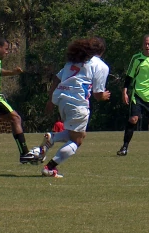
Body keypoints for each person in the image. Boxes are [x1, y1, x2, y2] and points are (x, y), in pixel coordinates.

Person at [39, 37, 110, 178]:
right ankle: (49, 166)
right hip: (78, 103)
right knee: (77, 140)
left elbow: (57, 78)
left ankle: (52, 138)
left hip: (62, 101)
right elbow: (97, 94)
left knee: (77, 134)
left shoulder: (74, 60)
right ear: (102, 51)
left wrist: (50, 101)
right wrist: (104, 96)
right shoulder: (101, 66)